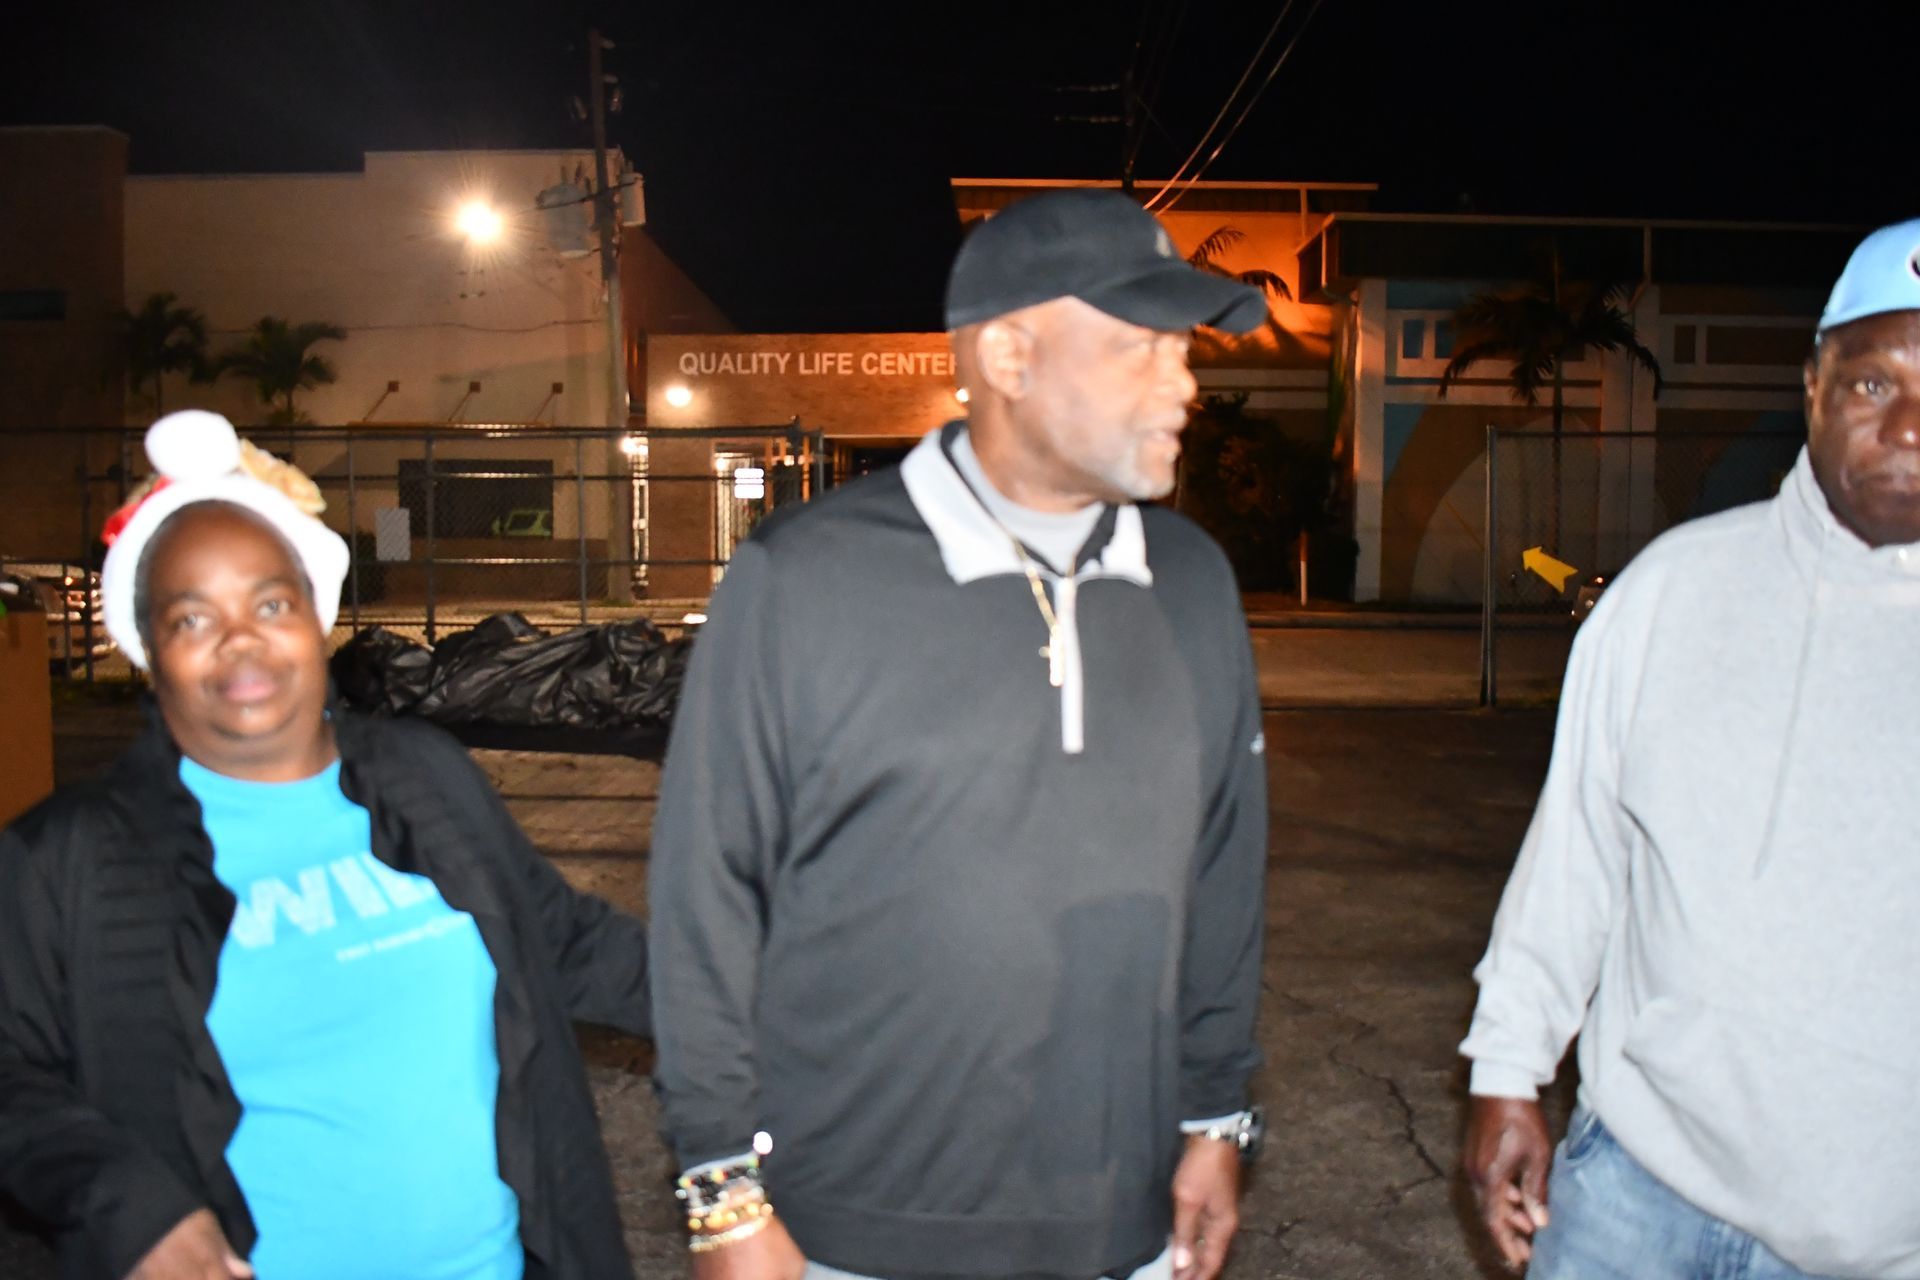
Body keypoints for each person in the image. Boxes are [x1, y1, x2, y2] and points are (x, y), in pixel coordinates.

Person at [648, 189, 1271, 1280]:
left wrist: (1217, 1116)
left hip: (1121, 1225)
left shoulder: (1191, 582)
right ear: (1009, 356)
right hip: (851, 1234)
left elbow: (1226, 868)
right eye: (1140, 347)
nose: (1183, 384)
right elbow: (706, 897)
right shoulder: (804, 577)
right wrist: (721, 1196)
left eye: (1183, 350)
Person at [0, 411, 651, 1280]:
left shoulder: (422, 777)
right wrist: (124, 1202)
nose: (241, 638)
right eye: (192, 618)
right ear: (149, 650)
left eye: (271, 602)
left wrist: (779, 998)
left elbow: (566, 940)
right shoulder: (71, 858)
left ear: (316, 615)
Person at [1461, 218, 1920, 1279]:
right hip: (1635, 1193)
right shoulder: (1673, 592)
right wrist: (1506, 1066)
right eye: (1873, 383)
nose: (1906, 426)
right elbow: (1578, 853)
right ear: (1813, 384)